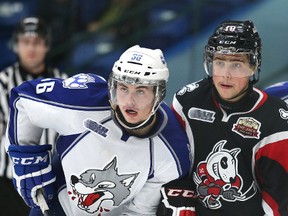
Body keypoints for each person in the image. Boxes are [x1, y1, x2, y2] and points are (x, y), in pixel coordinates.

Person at [5, 45, 191, 215]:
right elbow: (23, 99)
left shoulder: (174, 151)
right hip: (55, 208)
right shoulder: (84, 100)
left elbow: (139, 212)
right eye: (123, 88)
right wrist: (27, 158)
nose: (129, 101)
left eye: (141, 91)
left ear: (158, 95)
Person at [167, 20, 288, 215]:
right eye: (220, 62)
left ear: (253, 65)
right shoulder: (187, 101)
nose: (226, 74)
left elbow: (280, 200)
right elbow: (169, 164)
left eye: (237, 64)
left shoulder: (275, 120)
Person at [0, 16, 67, 216]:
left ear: (46, 46)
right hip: (7, 181)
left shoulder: (62, 82)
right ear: (17, 45)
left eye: (37, 43)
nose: (31, 49)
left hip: (50, 179)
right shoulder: (3, 82)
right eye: (26, 42)